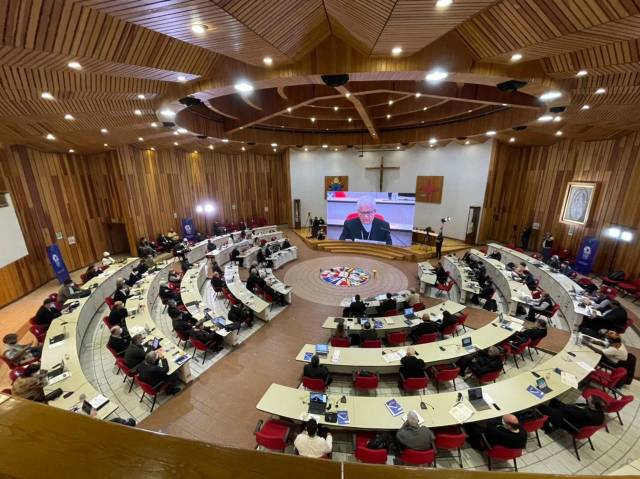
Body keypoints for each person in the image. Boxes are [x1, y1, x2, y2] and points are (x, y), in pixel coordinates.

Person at [540, 396, 605, 433]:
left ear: (593, 405)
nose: (587, 402)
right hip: (576, 419)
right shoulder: (600, 414)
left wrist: (567, 407)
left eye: (588, 401)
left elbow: (573, 412)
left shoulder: (586, 414)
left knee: (542, 407)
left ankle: (547, 427)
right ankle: (552, 421)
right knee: (554, 401)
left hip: (568, 422)